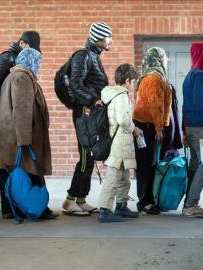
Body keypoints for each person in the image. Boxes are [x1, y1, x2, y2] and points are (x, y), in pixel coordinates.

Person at [0, 48, 56, 220]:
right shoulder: (22, 78)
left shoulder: (11, 76)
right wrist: (24, 140)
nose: (39, 66)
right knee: (31, 170)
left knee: (9, 173)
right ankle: (38, 208)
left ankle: (10, 209)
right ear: (31, 61)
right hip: (20, 137)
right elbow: (22, 111)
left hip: (8, 134)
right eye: (38, 62)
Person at [0, 30, 41, 219]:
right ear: (22, 43)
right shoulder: (9, 59)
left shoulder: (18, 66)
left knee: (9, 162)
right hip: (6, 115)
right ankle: (13, 207)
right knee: (9, 163)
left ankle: (11, 207)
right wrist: (4, 107)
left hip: (8, 116)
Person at [62, 22, 113, 216]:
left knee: (90, 156)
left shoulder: (94, 56)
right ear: (99, 38)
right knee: (85, 157)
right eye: (108, 37)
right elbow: (75, 83)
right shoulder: (83, 56)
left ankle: (81, 199)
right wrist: (93, 99)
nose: (111, 40)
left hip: (90, 112)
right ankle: (70, 200)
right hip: (84, 112)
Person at [132, 47, 172, 215]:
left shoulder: (154, 75)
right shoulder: (153, 77)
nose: (167, 60)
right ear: (157, 58)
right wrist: (158, 127)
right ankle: (144, 202)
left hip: (148, 125)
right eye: (165, 57)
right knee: (145, 165)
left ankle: (148, 199)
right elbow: (155, 105)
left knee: (150, 164)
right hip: (146, 126)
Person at [97, 64, 139, 222]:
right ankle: (104, 210)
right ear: (127, 81)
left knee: (124, 176)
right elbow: (122, 119)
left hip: (122, 142)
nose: (134, 85)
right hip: (119, 142)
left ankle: (121, 205)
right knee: (113, 176)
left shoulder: (114, 94)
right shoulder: (121, 96)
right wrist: (135, 128)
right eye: (133, 82)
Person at [182, 42, 203, 218]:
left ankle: (191, 203)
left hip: (191, 127)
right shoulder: (200, 75)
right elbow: (200, 103)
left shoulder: (190, 75)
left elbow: (186, 105)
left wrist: (184, 131)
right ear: (202, 56)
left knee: (195, 164)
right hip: (200, 128)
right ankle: (190, 205)